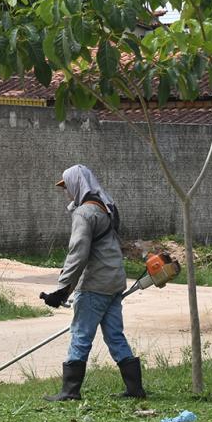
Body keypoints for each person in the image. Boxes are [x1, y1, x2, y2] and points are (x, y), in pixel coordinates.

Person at [38, 164, 145, 402]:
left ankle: (70, 391)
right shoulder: (106, 207)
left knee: (80, 335)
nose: (66, 192)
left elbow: (78, 253)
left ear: (77, 185)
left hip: (95, 285)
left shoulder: (85, 213)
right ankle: (135, 389)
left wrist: (62, 290)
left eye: (67, 187)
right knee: (115, 336)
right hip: (114, 282)